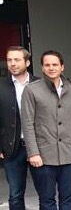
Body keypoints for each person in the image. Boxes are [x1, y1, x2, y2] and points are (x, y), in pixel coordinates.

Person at [21, 50, 71, 210]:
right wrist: (33, 153)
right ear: (42, 68)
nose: (51, 68)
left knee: (67, 197)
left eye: (55, 64)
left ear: (62, 67)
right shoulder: (31, 90)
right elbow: (27, 124)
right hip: (43, 155)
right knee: (47, 199)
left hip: (68, 155)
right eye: (47, 65)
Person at [0, 46, 39, 210]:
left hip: (39, 147)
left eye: (17, 60)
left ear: (27, 62)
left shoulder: (40, 84)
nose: (12, 63)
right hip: (12, 148)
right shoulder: (1, 86)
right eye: (9, 60)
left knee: (46, 193)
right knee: (15, 195)